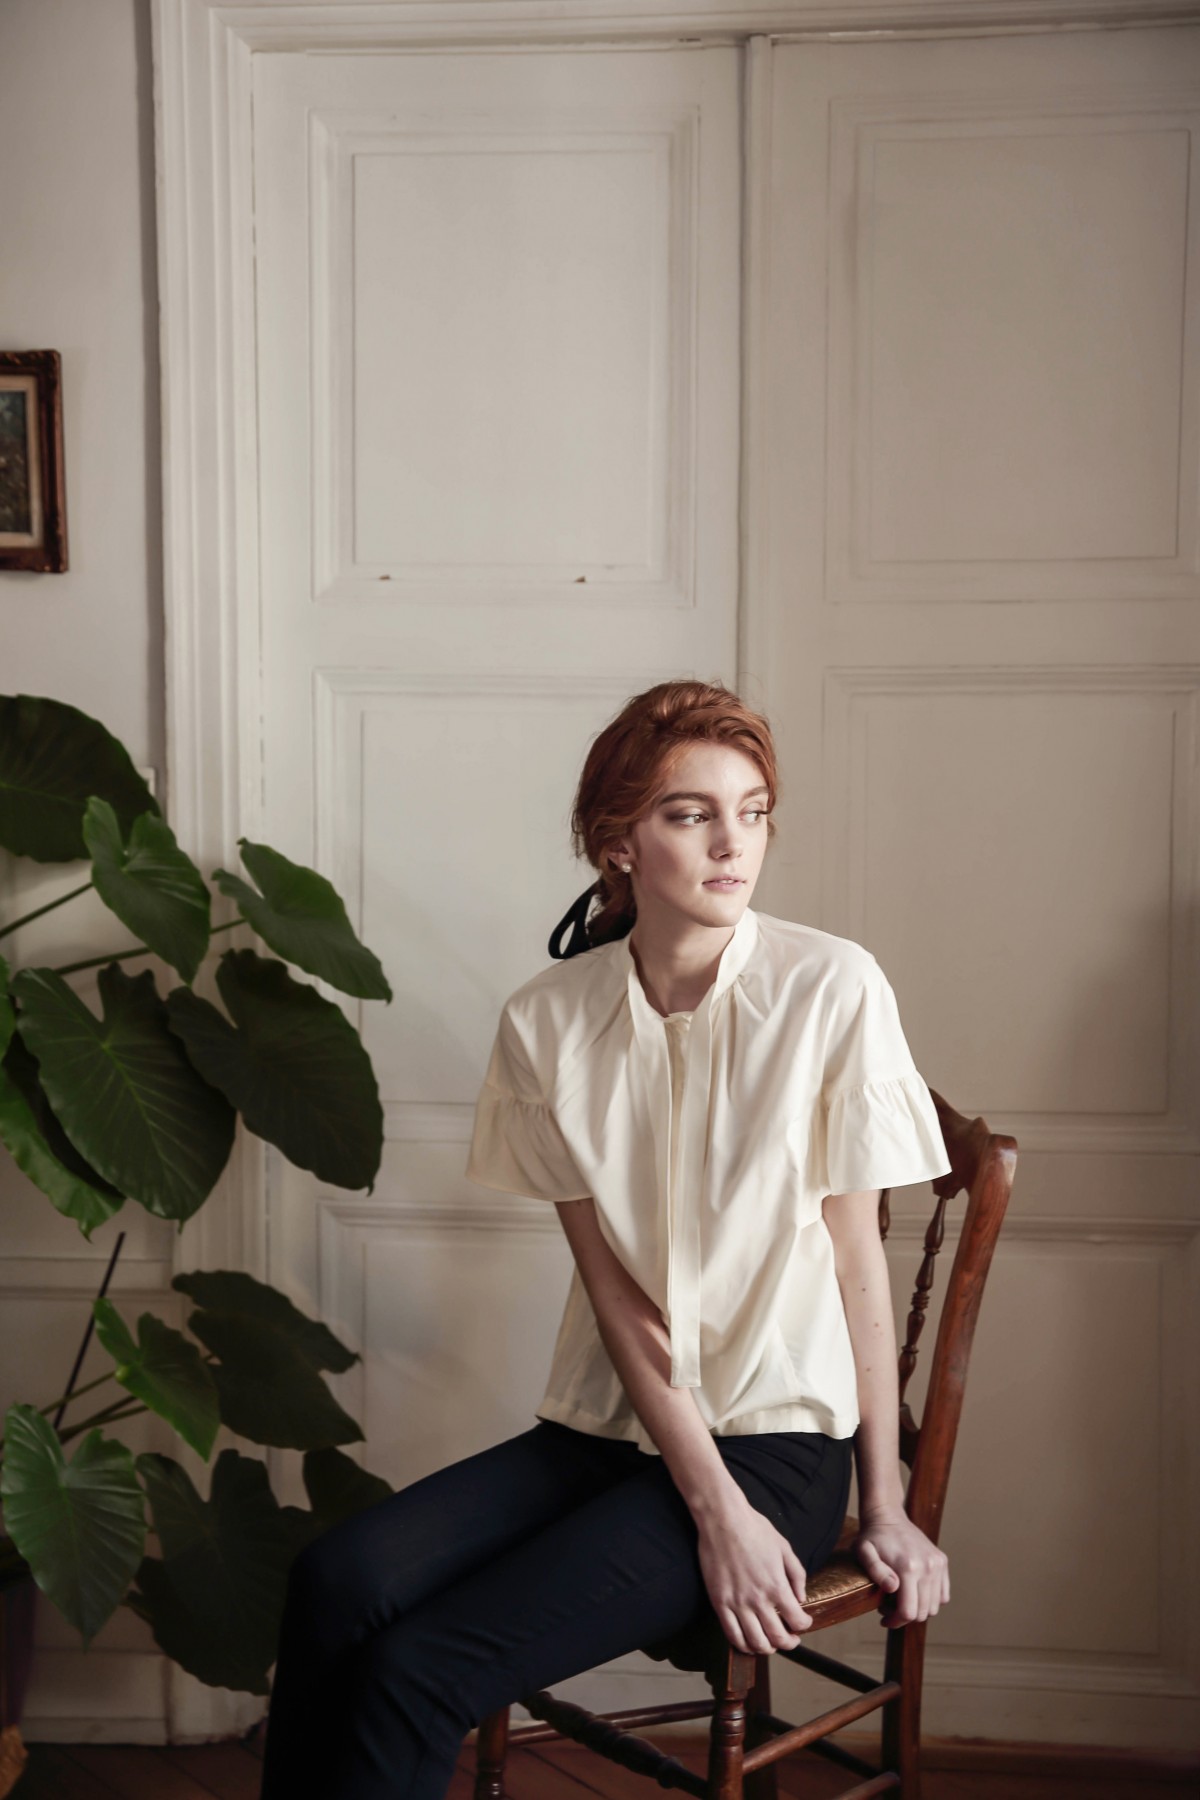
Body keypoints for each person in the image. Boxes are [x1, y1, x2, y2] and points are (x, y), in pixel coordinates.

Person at [257, 678, 952, 1800]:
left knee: (417, 1672)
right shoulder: (549, 1019)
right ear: (617, 842)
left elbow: (855, 1260)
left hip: (774, 1445)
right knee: (335, 1581)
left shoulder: (832, 988)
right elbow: (616, 1295)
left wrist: (881, 1507)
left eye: (753, 812)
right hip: (605, 1426)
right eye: (690, 813)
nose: (733, 843)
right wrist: (704, 1507)